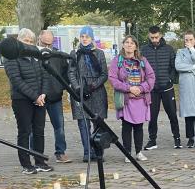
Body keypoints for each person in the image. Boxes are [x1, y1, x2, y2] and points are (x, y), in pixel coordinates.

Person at [4, 29, 53, 174]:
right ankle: (26, 164)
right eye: (26, 41)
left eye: (31, 41)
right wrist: (34, 97)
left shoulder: (36, 56)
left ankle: (40, 161)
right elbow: (17, 80)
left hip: (40, 99)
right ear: (19, 41)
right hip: (22, 100)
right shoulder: (11, 57)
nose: (29, 44)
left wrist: (43, 94)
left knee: (39, 130)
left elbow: (45, 74)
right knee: (25, 131)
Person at [109, 35, 155, 162]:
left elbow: (151, 77)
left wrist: (140, 88)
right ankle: (127, 153)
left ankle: (139, 152)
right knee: (127, 126)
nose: (129, 45)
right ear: (123, 45)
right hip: (126, 99)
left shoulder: (143, 60)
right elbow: (113, 79)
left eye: (132, 43)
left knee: (139, 126)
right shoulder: (117, 60)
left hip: (140, 99)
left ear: (136, 46)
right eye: (127, 42)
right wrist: (129, 88)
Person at [68, 26, 108, 162]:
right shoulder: (74, 53)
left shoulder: (99, 53)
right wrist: (78, 88)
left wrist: (93, 86)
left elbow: (104, 74)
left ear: (92, 38)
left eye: (87, 37)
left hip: (96, 91)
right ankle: (87, 151)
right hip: (80, 91)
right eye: (82, 36)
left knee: (98, 123)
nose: (84, 39)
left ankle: (98, 151)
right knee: (83, 123)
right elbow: (71, 73)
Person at [141, 26, 181, 150]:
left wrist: (170, 79)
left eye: (156, 37)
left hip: (167, 87)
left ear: (161, 35)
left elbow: (174, 67)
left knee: (172, 114)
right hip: (152, 89)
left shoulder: (169, 49)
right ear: (148, 36)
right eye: (152, 37)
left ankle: (177, 139)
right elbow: (141, 68)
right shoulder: (144, 50)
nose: (154, 39)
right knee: (152, 116)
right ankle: (152, 140)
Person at [37, 30, 71, 163]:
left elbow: (66, 73)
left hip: (55, 96)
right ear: (39, 38)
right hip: (38, 96)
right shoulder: (34, 54)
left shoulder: (58, 55)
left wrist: (62, 87)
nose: (47, 45)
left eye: (50, 41)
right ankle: (35, 153)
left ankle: (60, 152)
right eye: (45, 41)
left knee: (59, 126)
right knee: (37, 127)